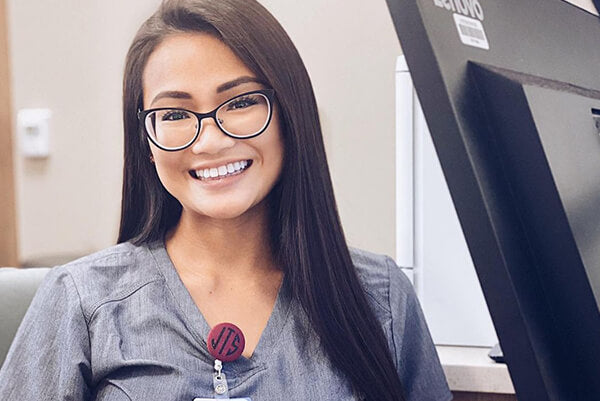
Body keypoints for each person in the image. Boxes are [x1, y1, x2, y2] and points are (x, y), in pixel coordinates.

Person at [0, 0, 451, 400]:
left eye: (239, 103)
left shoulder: (382, 298)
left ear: (289, 114)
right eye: (174, 114)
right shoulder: (80, 301)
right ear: (147, 140)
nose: (211, 141)